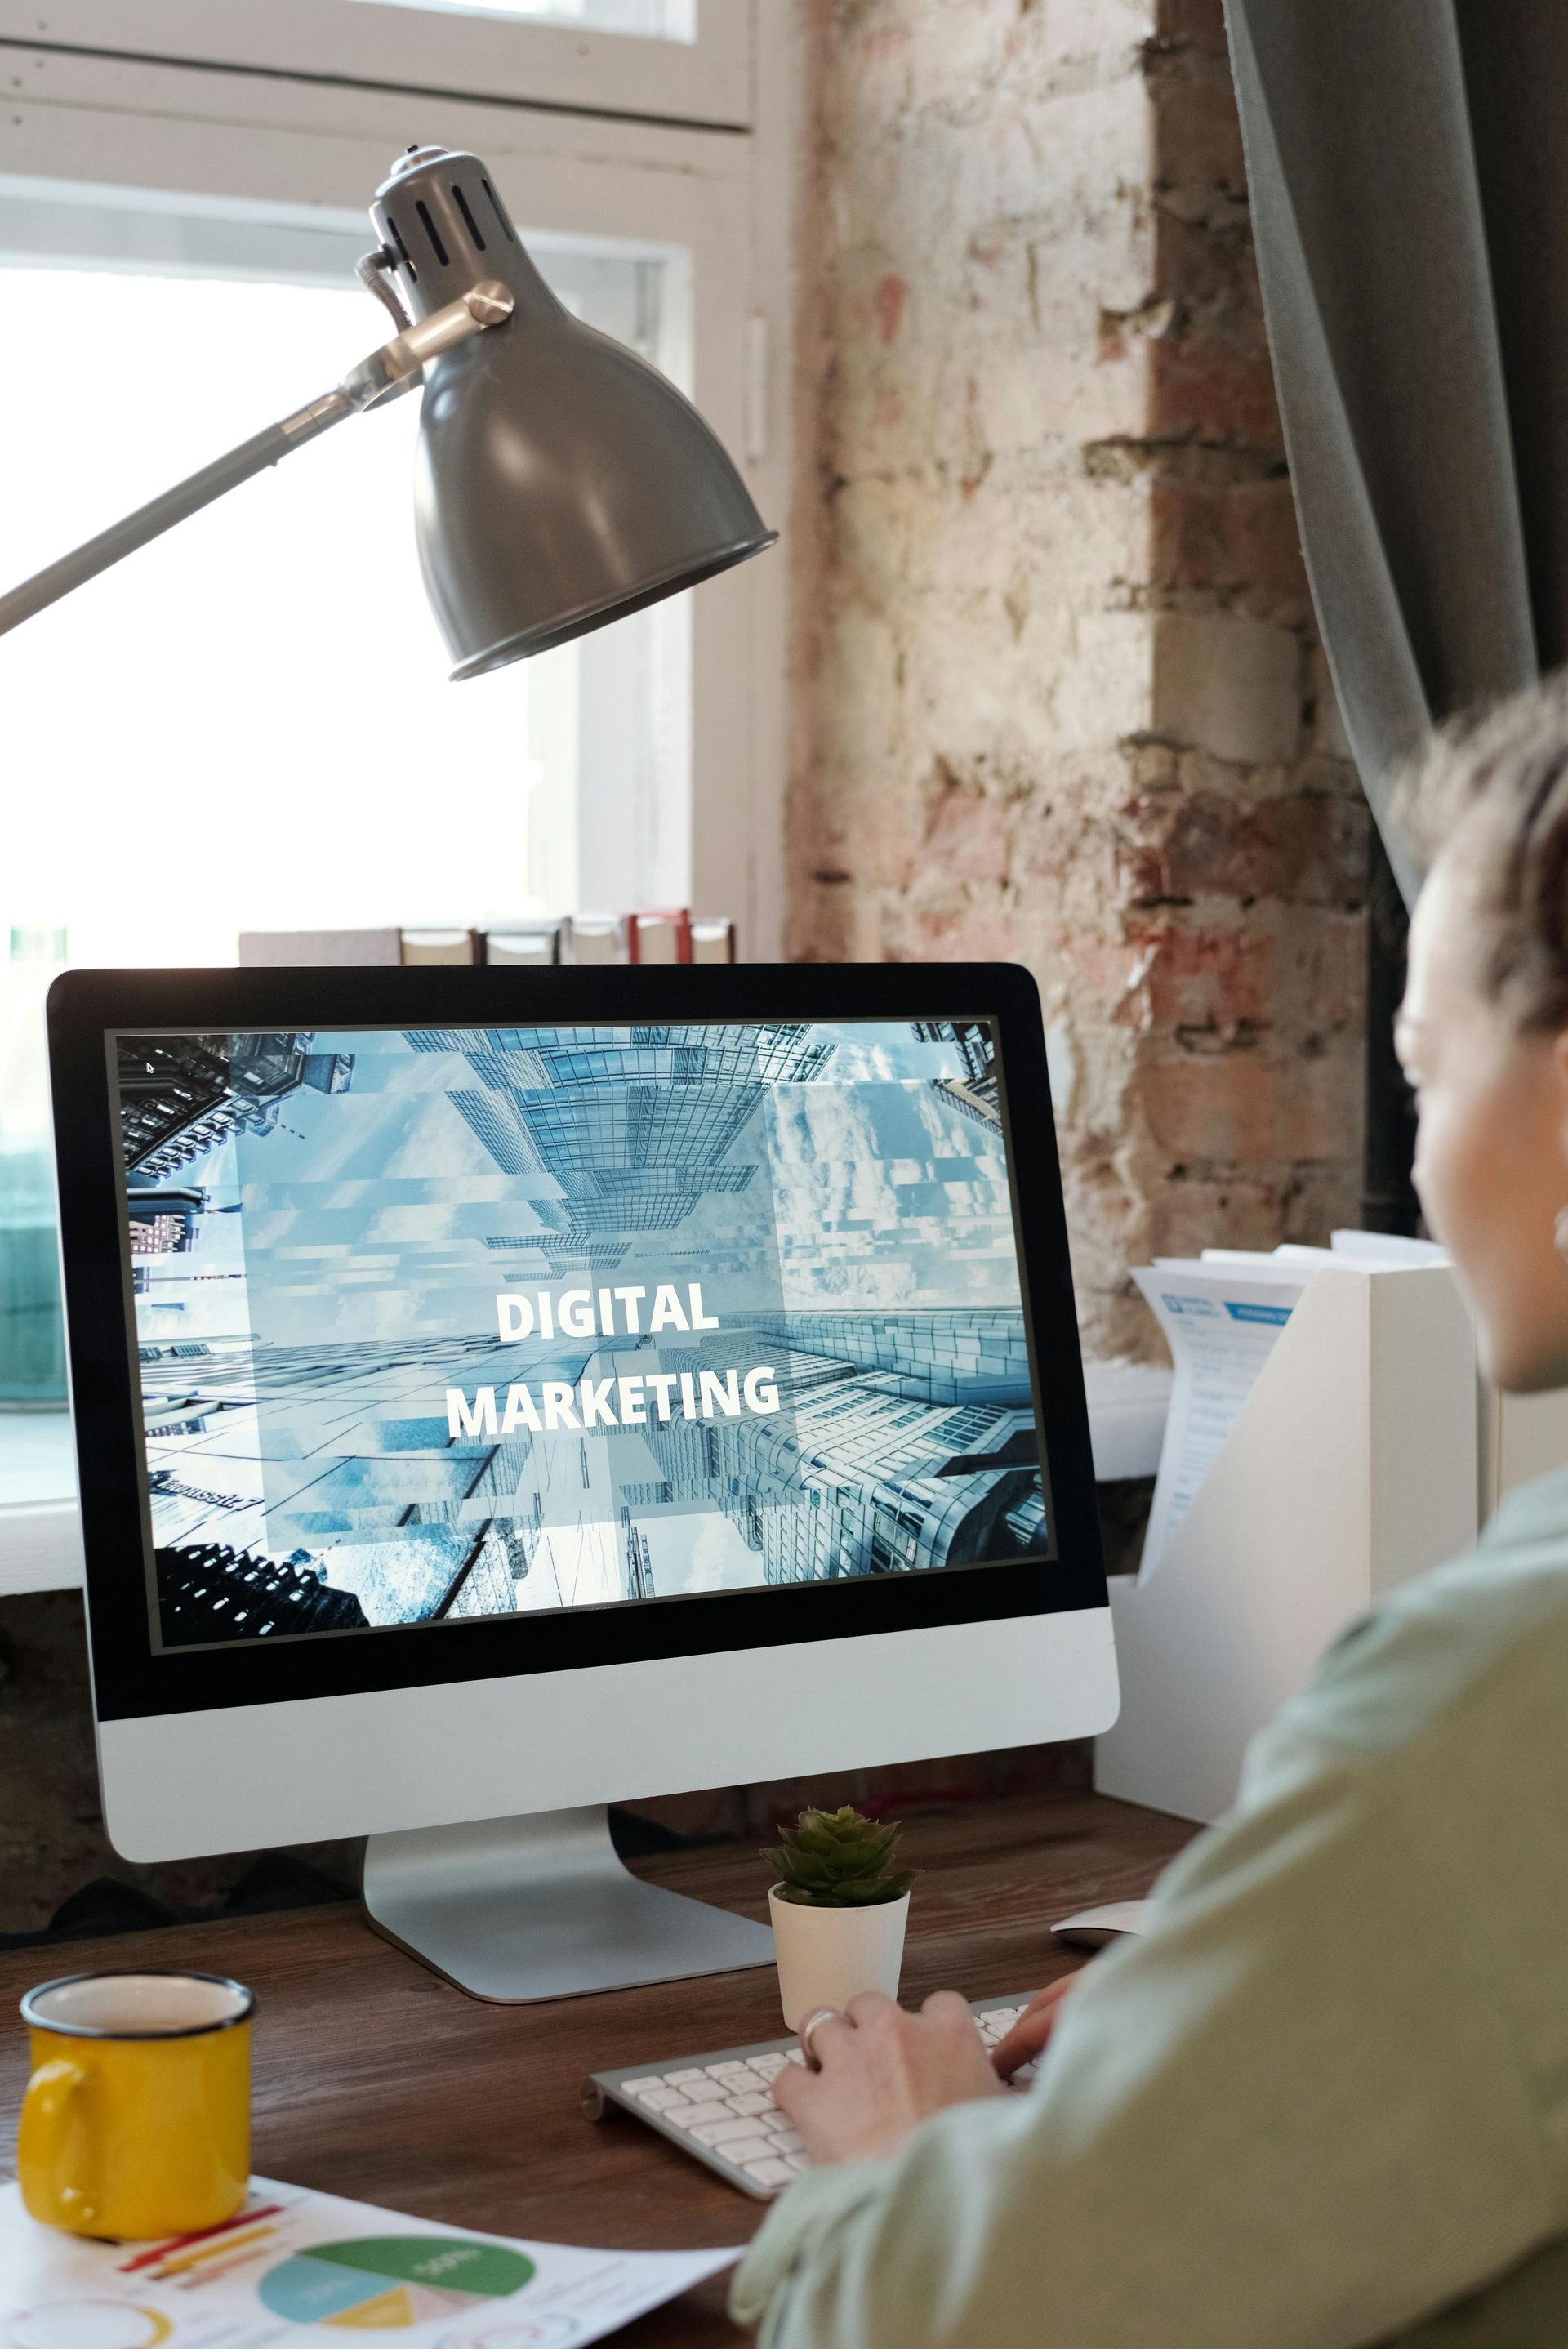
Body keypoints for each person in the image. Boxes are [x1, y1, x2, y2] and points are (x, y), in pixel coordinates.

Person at [731, 673, 1568, 2347]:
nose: (1418, 1161)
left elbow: (961, 2320)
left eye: (1429, 1065)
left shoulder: (1497, 1681)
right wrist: (1265, 1992)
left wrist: (898, 2155)